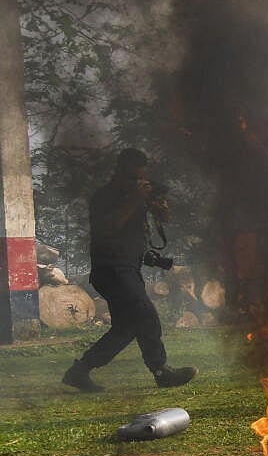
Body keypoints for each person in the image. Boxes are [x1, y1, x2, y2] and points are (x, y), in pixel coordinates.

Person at [62, 148, 197, 392]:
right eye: (132, 178)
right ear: (119, 171)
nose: (137, 183)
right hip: (111, 270)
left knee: (126, 328)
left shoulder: (135, 198)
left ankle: (80, 371)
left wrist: (159, 210)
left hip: (128, 268)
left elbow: (157, 224)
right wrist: (135, 200)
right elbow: (107, 230)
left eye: (140, 179)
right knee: (145, 314)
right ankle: (161, 371)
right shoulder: (105, 198)